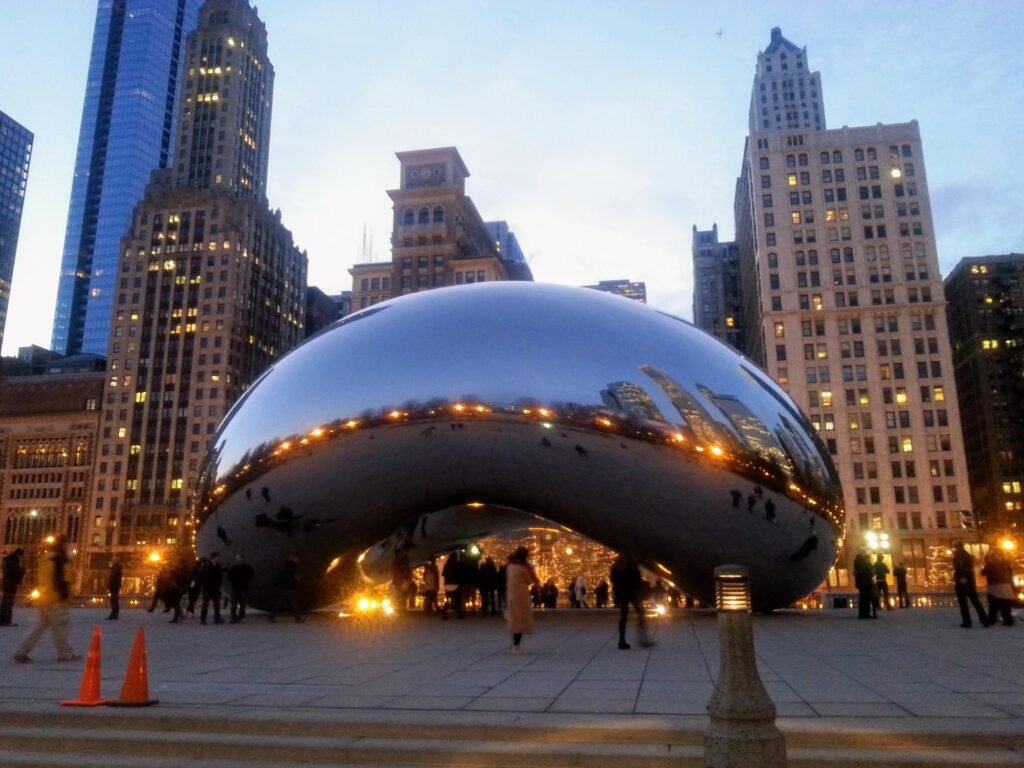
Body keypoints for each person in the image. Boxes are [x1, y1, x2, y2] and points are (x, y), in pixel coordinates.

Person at [12, 535, 79, 663]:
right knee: (61, 627)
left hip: (44, 598)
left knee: (38, 628)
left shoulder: (45, 558)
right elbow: (62, 580)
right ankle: (65, 653)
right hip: (56, 599)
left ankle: (20, 652)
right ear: (63, 545)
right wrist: (66, 595)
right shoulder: (60, 560)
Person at [610, 553, 650, 649]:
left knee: (623, 616)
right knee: (641, 612)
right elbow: (637, 579)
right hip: (632, 593)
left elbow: (613, 580)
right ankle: (642, 638)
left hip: (622, 593)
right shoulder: (632, 566)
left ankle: (622, 640)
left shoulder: (616, 567)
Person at [505, 546, 540, 654]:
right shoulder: (523, 568)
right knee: (520, 622)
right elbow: (530, 580)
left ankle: (514, 644)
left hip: (511, 596)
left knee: (514, 620)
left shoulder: (510, 567)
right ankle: (516, 646)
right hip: (521, 597)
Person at [952, 540, 989, 628]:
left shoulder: (958, 555)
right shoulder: (968, 555)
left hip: (962, 580)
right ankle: (984, 619)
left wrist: (961, 578)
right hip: (970, 580)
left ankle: (967, 621)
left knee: (963, 603)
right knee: (975, 601)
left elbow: (959, 568)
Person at [982, 547, 1015, 627]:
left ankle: (991, 620)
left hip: (994, 584)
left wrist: (983, 571)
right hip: (1005, 583)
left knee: (993, 604)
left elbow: (986, 572)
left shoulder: (991, 562)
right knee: (1005, 603)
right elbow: (1010, 572)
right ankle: (1008, 619)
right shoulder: (1005, 561)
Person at [268, 555, 303, 622]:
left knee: (279, 603)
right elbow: (290, 578)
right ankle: (297, 618)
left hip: (283, 587)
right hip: (288, 587)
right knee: (294, 602)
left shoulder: (286, 568)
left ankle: (271, 616)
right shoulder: (291, 568)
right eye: (295, 558)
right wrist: (296, 579)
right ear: (292, 559)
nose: (297, 559)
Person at [227, 554, 255, 623]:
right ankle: (233, 616)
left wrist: (245, 580)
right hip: (235, 587)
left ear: (242, 559)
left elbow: (251, 575)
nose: (238, 560)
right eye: (237, 558)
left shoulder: (247, 568)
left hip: (243, 587)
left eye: (239, 558)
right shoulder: (233, 568)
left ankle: (241, 614)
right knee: (234, 603)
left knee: (243, 602)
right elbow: (229, 577)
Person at [1, 548, 25, 626]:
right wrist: (22, 570)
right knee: (9, 602)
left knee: (5, 602)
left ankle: (2, 620)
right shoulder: (14, 561)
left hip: (6, 583)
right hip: (11, 584)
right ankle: (7, 621)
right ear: (18, 555)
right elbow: (16, 573)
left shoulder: (7, 560)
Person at [199, 552, 224, 625]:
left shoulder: (218, 566)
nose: (219, 559)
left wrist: (219, 585)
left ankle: (217, 618)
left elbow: (220, 577)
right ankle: (203, 619)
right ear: (214, 558)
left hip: (215, 588)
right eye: (217, 557)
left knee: (217, 604)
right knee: (205, 604)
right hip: (207, 588)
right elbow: (202, 576)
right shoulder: (206, 566)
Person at [852, 547, 875, 619]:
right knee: (865, 598)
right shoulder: (861, 560)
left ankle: (864, 613)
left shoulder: (858, 560)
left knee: (864, 598)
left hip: (862, 582)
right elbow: (865, 571)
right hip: (864, 582)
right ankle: (864, 613)